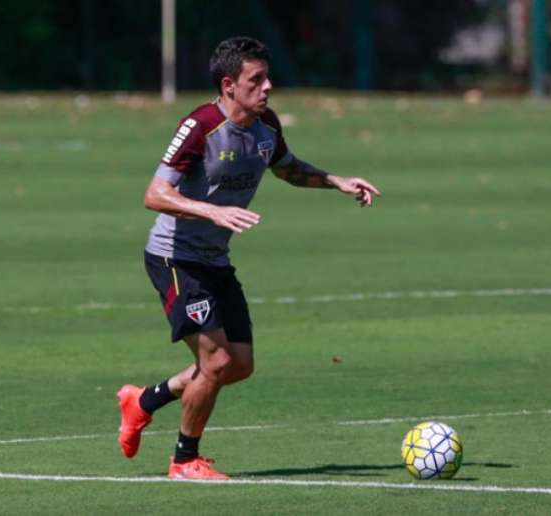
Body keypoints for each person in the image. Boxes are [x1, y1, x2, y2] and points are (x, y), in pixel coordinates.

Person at [117, 36, 380, 480]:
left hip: (215, 259)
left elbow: (288, 168)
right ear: (229, 85)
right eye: (255, 80)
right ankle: (184, 461)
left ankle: (144, 401)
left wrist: (337, 181)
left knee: (238, 365)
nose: (267, 87)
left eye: (267, 78)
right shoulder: (200, 126)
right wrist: (211, 209)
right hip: (174, 259)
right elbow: (154, 194)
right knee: (215, 363)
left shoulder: (266, 126)